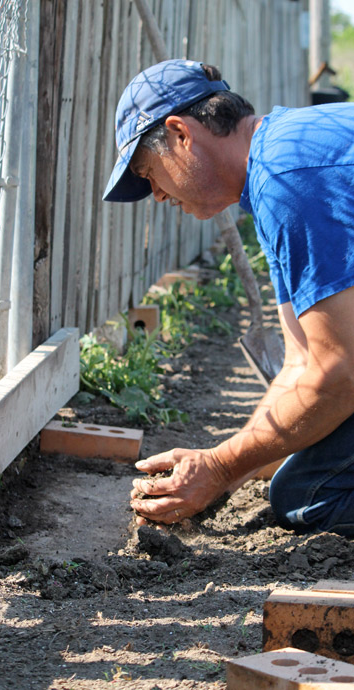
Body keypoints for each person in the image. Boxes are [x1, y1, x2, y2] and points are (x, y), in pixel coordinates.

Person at [103, 59, 354, 537]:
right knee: (300, 477)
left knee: (309, 496)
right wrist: (224, 469)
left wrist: (220, 467)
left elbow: (340, 373)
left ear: (180, 135)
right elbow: (301, 364)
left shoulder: (289, 179)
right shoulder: (278, 160)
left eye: (147, 170)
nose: (155, 193)